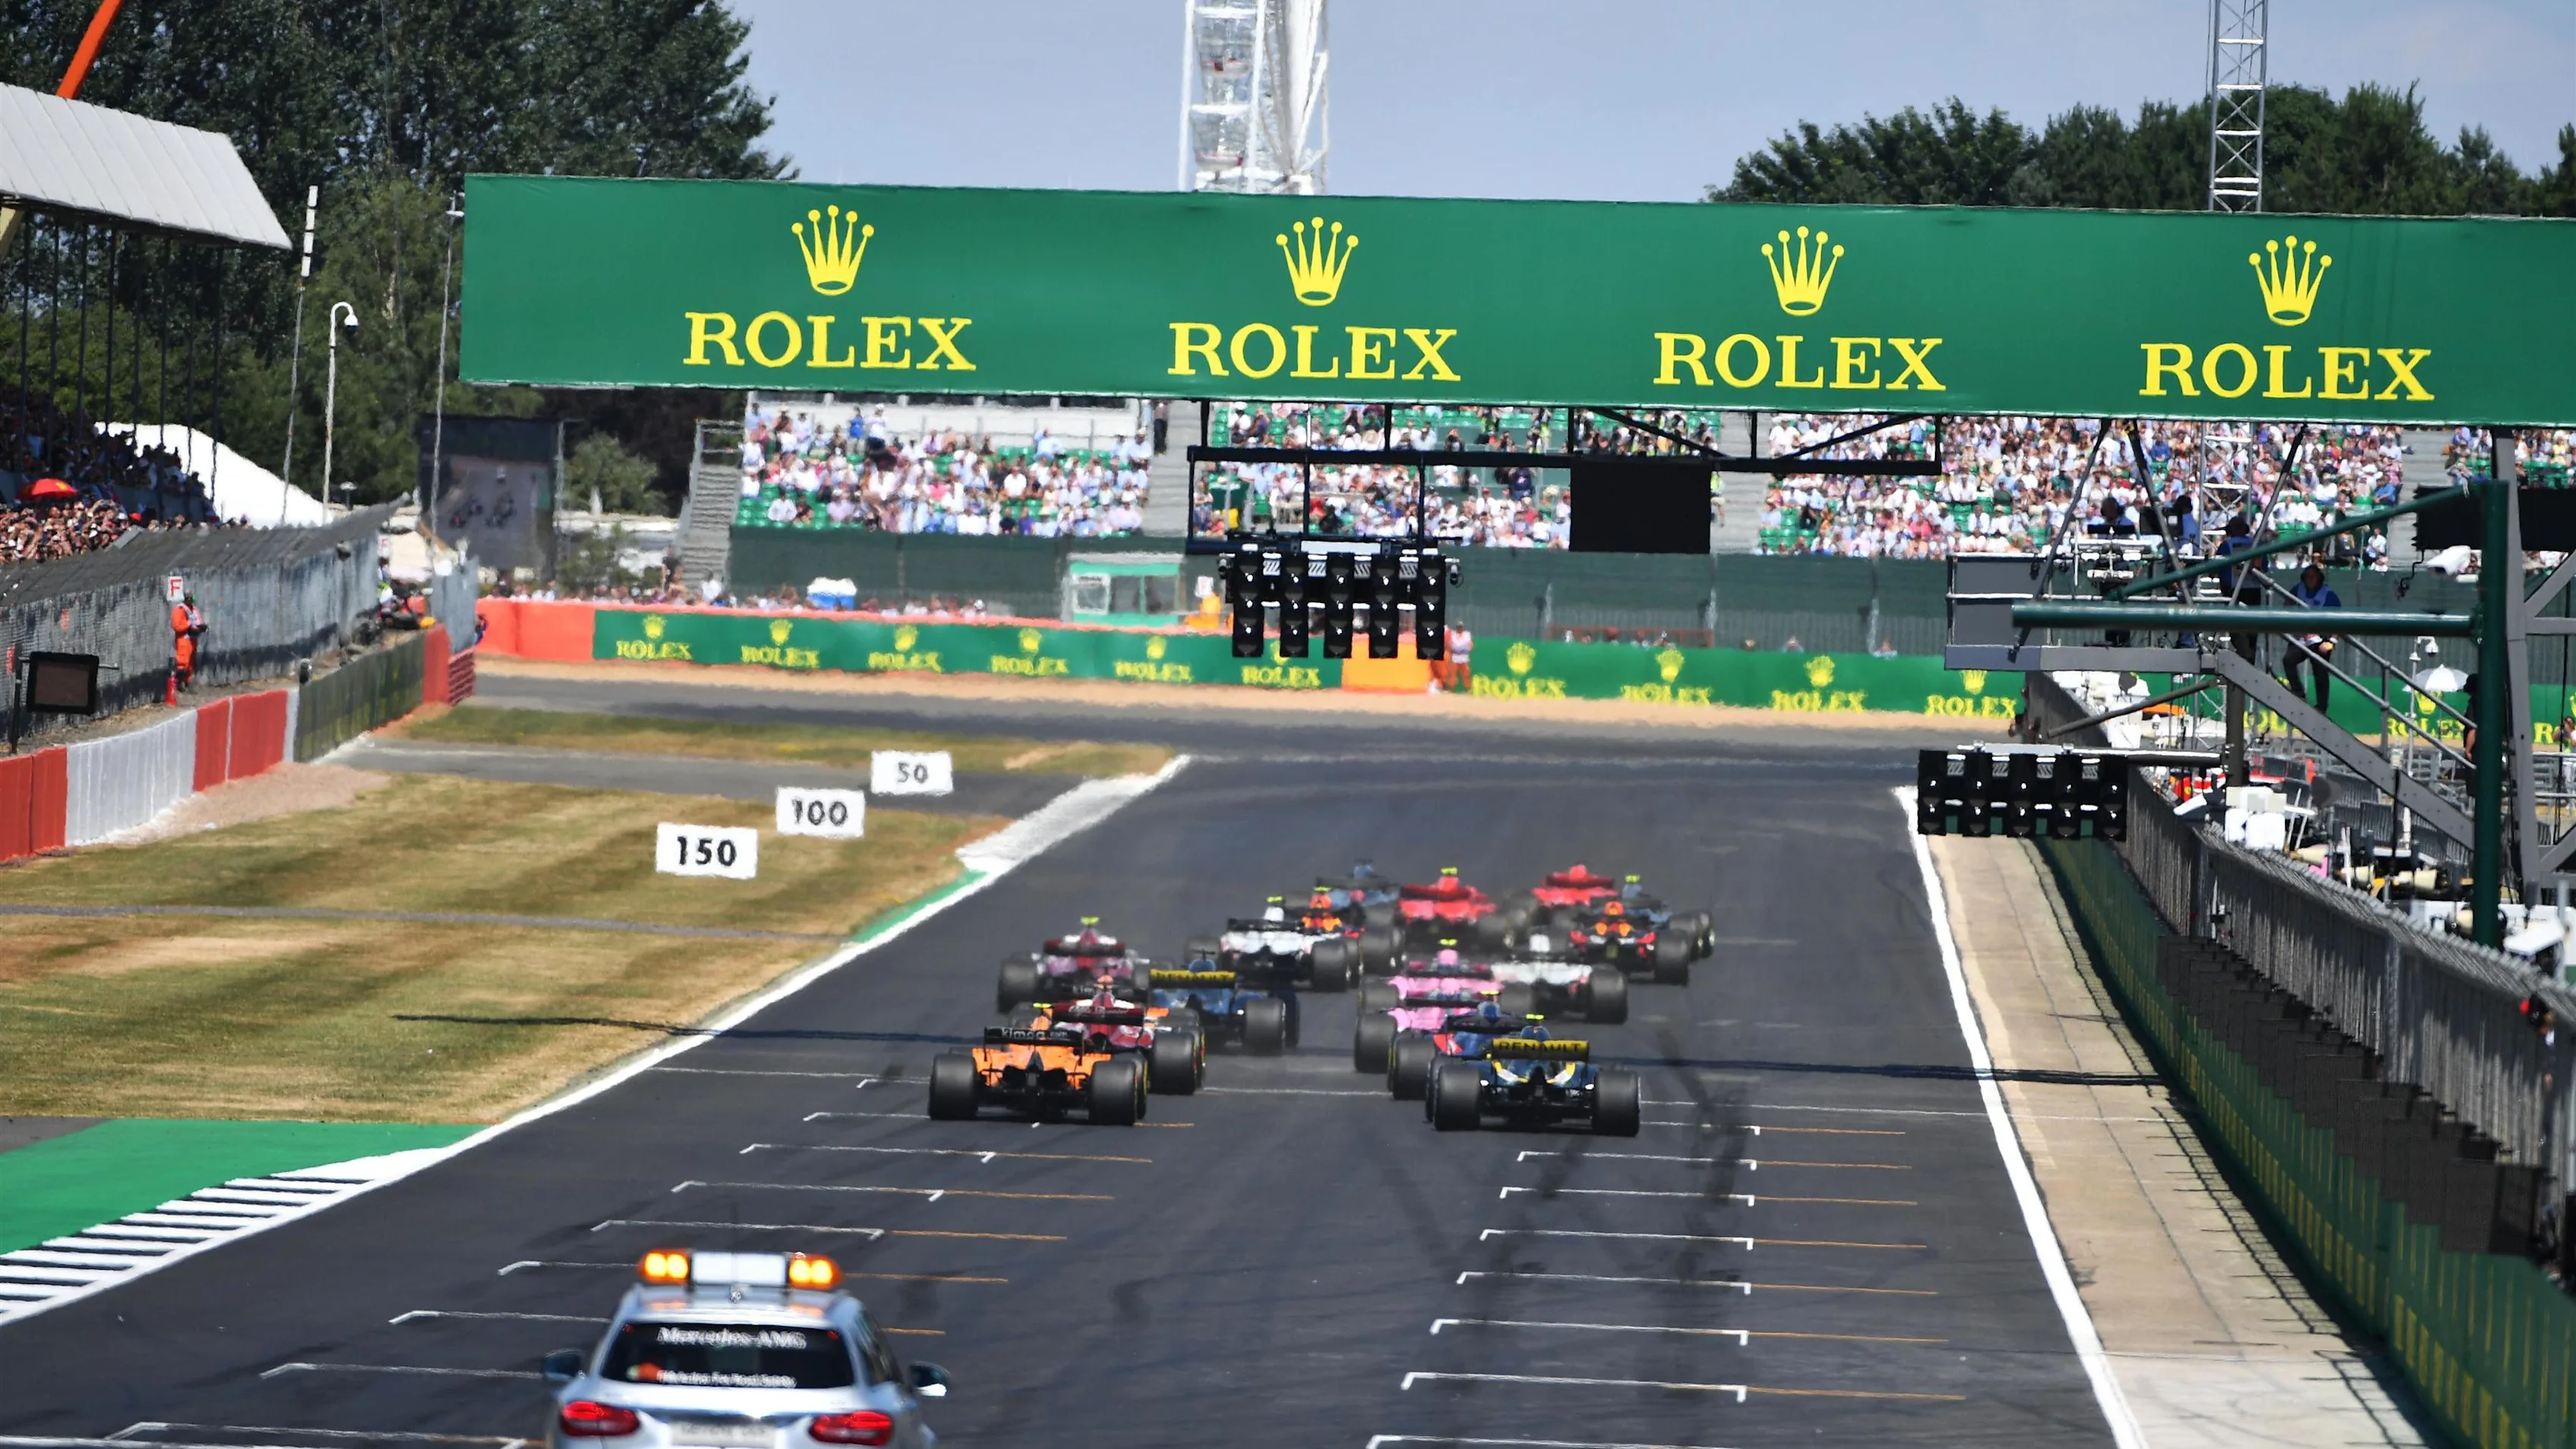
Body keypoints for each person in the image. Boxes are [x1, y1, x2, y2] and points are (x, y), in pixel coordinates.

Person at [2284, 562, 2341, 710]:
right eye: (2307, 577)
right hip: (2302, 637)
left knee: (2321, 674)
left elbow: (2341, 620)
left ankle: (2322, 707)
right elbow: (2286, 605)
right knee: (2288, 660)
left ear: (2319, 578)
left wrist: (2332, 642)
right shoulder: (2298, 589)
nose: (2310, 580)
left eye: (2313, 577)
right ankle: (2298, 691)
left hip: (2320, 639)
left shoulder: (2329, 594)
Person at [170, 592, 206, 691]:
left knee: (191, 662)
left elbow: (198, 621)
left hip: (193, 639)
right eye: (188, 598)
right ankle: (179, 683)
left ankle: (188, 682)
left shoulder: (194, 609)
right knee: (182, 662)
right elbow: (177, 626)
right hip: (183, 639)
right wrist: (188, 625)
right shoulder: (180, 610)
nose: (190, 601)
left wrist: (201, 627)